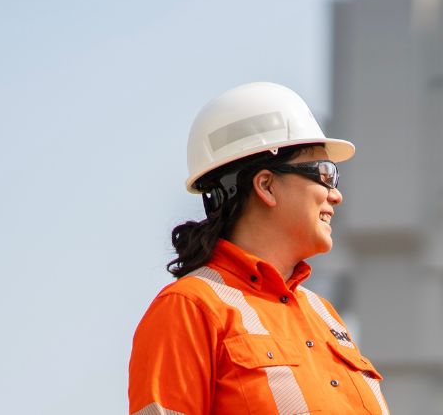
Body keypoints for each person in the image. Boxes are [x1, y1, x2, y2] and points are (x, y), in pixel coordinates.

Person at [128, 82, 389, 415]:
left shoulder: (324, 316)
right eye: (325, 174)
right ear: (266, 185)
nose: (336, 195)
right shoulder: (189, 309)